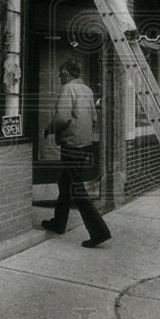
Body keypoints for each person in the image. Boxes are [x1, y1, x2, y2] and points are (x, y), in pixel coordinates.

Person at [42, 58, 111, 248]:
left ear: (66, 73)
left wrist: (50, 128)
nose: (59, 76)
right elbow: (95, 118)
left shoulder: (68, 89)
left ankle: (99, 231)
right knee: (65, 182)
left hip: (71, 144)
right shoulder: (87, 90)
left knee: (76, 188)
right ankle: (58, 222)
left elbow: (63, 118)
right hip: (85, 143)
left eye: (60, 72)